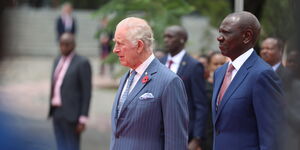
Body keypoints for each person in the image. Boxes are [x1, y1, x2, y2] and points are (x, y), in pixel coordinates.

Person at [110, 17, 188, 150]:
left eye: (120, 43)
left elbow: (176, 141)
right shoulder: (126, 78)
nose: (115, 50)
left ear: (139, 46)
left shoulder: (169, 82)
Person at [212, 11, 283, 150]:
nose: (219, 38)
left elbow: (272, 136)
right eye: (220, 32)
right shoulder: (220, 73)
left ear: (247, 36)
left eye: (226, 33)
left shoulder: (262, 74)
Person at [159, 25, 208, 150]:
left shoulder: (193, 66)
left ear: (182, 39)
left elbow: (200, 104)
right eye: (165, 36)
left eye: (170, 37)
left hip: (183, 133)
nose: (166, 40)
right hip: (158, 133)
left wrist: (197, 139)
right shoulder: (159, 63)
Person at [48, 33, 92, 150]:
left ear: (73, 45)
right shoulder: (57, 60)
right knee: (60, 145)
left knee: (72, 146)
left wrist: (83, 118)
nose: (63, 47)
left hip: (72, 114)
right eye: (61, 44)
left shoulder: (82, 62)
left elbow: (86, 91)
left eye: (66, 45)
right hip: (56, 111)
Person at [203, 51, 227, 150]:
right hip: (206, 136)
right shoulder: (201, 87)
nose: (219, 67)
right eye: (215, 64)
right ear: (208, 66)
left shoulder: (230, 86)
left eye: (222, 64)